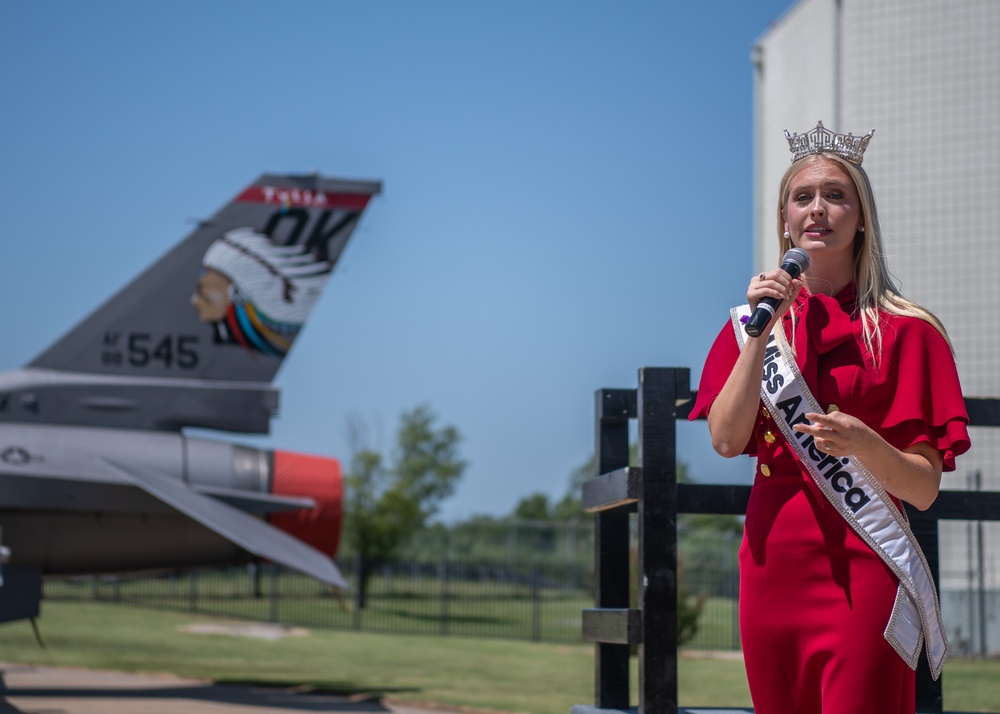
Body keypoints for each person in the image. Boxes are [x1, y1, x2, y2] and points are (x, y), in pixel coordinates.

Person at [689, 121, 970, 713]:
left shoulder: (910, 333)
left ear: (861, 216)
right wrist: (760, 333)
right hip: (771, 565)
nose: (818, 209)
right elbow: (726, 438)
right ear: (785, 219)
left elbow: (922, 489)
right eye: (803, 197)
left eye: (836, 195)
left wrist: (866, 444)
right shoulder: (754, 325)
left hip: (864, 560)